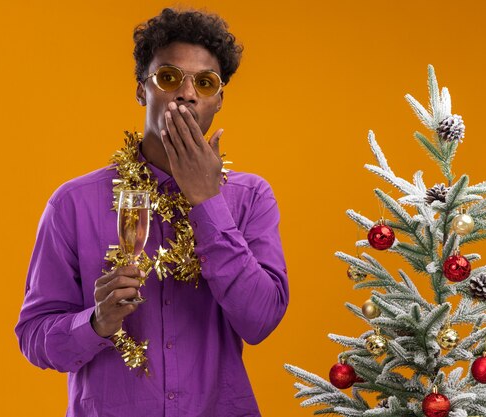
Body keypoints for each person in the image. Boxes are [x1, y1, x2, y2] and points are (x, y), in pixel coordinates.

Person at [15, 8, 289, 417]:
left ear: (219, 99)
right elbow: (34, 337)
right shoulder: (73, 203)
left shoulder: (250, 197)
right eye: (168, 78)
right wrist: (96, 323)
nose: (186, 93)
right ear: (142, 90)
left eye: (204, 82)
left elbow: (261, 320)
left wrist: (207, 202)